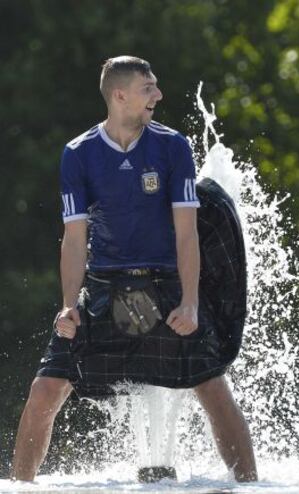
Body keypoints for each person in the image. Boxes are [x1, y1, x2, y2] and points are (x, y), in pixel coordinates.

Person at [11, 56, 257, 482]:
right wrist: (69, 306)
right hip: (104, 287)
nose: (158, 95)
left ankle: (252, 487)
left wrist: (192, 304)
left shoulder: (172, 146)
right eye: (149, 88)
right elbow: (74, 239)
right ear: (119, 95)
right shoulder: (78, 154)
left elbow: (187, 234)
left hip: (165, 283)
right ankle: (18, 488)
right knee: (45, 389)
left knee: (211, 385)